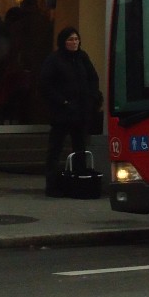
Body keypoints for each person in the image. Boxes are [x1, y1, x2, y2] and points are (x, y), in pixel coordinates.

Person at [39, 27, 103, 196]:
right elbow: (46, 85)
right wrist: (63, 101)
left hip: (81, 111)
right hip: (62, 112)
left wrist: (92, 98)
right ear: (63, 42)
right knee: (56, 148)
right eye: (70, 40)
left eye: (76, 39)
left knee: (80, 147)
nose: (74, 43)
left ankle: (80, 181)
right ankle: (52, 185)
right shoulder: (54, 60)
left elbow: (93, 78)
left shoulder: (82, 57)